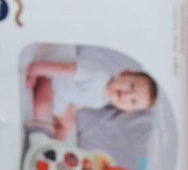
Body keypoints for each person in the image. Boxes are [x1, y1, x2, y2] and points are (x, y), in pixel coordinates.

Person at [26, 53, 158, 140]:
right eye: (131, 86)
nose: (127, 94)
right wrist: (36, 69)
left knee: (69, 124)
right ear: (124, 73)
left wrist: (69, 112)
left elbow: (80, 99)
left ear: (128, 110)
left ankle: (52, 148)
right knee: (44, 108)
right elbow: (65, 68)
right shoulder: (98, 76)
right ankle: (41, 139)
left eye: (133, 101)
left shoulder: (103, 100)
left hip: (61, 95)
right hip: (51, 79)